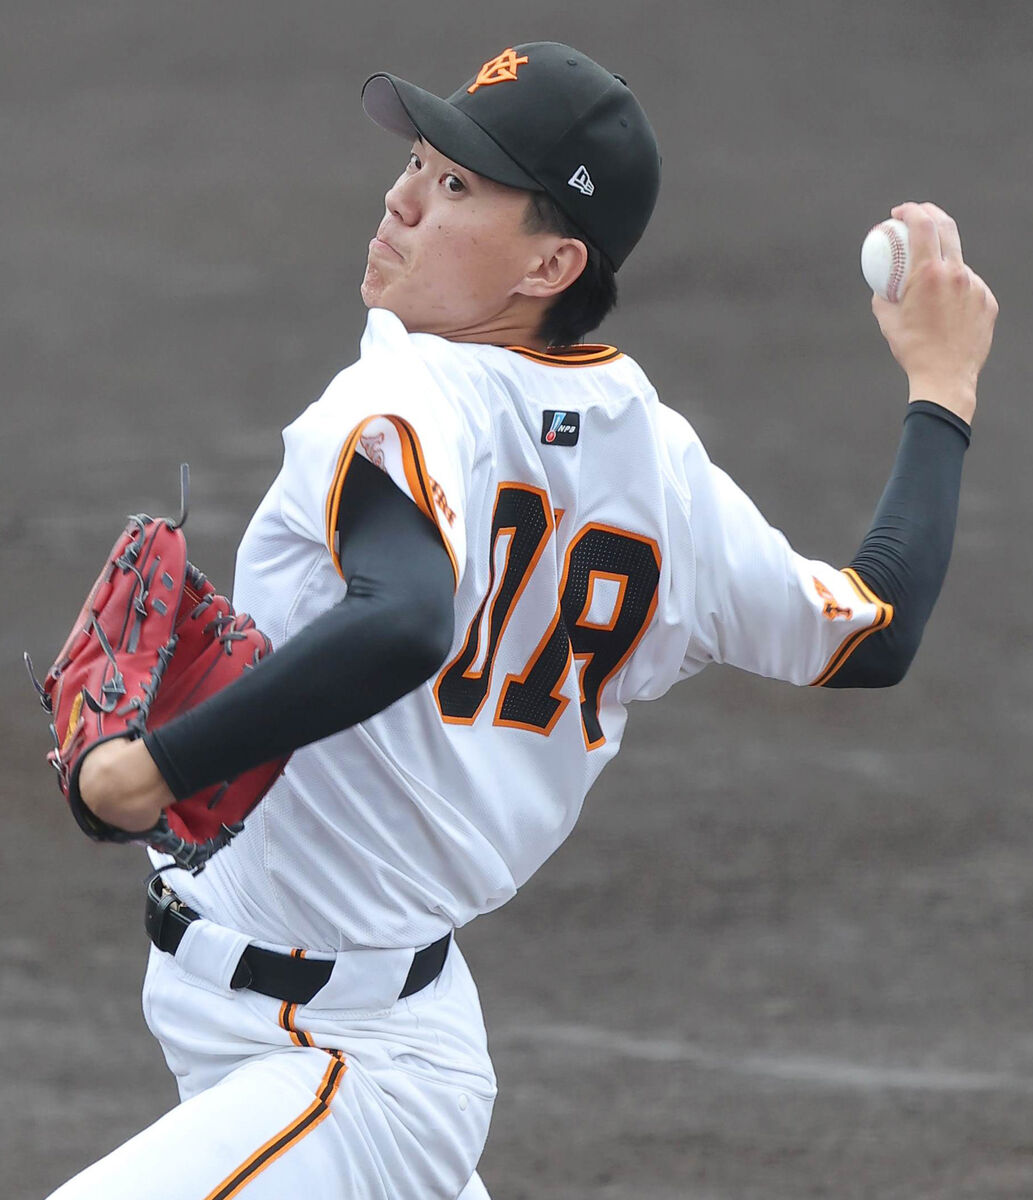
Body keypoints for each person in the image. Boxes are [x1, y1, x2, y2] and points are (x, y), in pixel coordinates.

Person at [48, 40, 997, 1200]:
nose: (400, 199)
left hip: (346, 1069)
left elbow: (406, 619)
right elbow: (875, 629)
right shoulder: (661, 466)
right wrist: (940, 390)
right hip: (341, 1033)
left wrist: (151, 770)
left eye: (455, 185)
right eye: (416, 161)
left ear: (551, 262)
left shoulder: (406, 390)